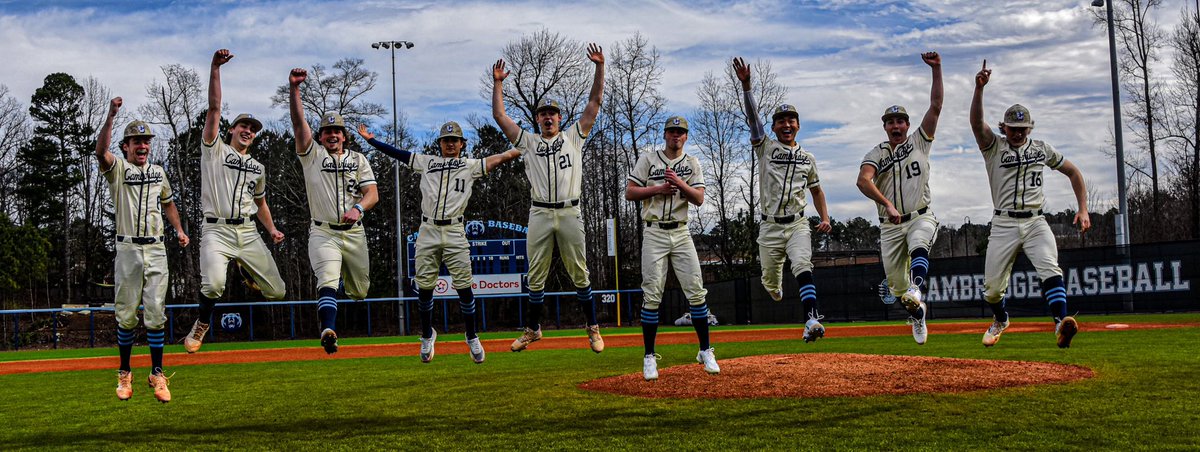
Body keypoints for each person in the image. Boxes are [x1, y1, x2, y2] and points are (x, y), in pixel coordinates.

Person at [358, 122, 521, 364]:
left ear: (462, 144)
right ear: (440, 144)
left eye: (455, 139)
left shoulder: (470, 166)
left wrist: (525, 145)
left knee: (464, 286)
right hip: (428, 229)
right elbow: (400, 155)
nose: (451, 143)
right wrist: (372, 141)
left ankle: (472, 336)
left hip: (455, 230)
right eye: (446, 140)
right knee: (424, 287)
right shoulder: (427, 162)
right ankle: (426, 335)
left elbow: (501, 158)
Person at [491, 43, 606, 353]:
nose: (548, 118)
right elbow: (500, 116)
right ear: (538, 118)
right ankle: (532, 330)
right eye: (543, 113)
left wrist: (599, 66)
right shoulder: (528, 142)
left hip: (569, 211)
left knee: (579, 272)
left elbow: (595, 101)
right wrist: (498, 83)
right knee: (536, 276)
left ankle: (592, 328)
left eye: (552, 113)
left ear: (559, 117)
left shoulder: (573, 136)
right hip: (540, 213)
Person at [969, 60, 1089, 348]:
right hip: (1004, 222)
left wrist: (1083, 208)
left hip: (1036, 221)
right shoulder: (993, 147)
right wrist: (979, 89)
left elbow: (1073, 172)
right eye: (1013, 128)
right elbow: (975, 123)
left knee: (1051, 269)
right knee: (992, 290)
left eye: (1023, 128)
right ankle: (1000, 319)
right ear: (1004, 127)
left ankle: (1061, 323)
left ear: (1030, 127)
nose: (1018, 133)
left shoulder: (1041, 149)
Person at [184, 49, 287, 353]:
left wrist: (272, 230)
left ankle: (243, 268)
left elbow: (261, 204)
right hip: (216, 230)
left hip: (248, 232)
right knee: (214, 286)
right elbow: (214, 108)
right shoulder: (214, 150)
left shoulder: (258, 168)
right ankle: (202, 323)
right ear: (232, 129)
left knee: (277, 291)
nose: (248, 131)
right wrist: (215, 68)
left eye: (253, 129)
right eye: (244, 126)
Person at [96, 97, 190, 403]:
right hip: (127, 249)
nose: (142, 146)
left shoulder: (159, 172)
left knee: (155, 314)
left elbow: (169, 204)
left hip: (156, 248)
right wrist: (111, 116)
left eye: (146, 141)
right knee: (125, 315)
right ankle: (125, 373)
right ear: (126, 146)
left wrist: (178, 229)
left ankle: (157, 373)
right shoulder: (119, 169)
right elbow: (100, 152)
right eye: (136, 141)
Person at [733, 57, 832, 343]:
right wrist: (746, 86)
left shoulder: (807, 158)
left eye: (791, 120)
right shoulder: (765, 147)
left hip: (798, 224)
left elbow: (817, 190)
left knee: (803, 265)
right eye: (781, 121)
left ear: (798, 126)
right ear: (774, 127)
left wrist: (824, 217)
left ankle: (811, 319)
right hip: (770, 227)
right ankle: (773, 286)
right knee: (771, 283)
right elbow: (752, 118)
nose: (786, 124)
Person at [287, 68, 379, 354]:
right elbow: (299, 122)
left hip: (354, 233)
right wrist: (295, 89)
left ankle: (339, 279)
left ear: (344, 135)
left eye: (337, 130)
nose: (332, 135)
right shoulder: (311, 155)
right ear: (321, 136)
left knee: (360, 291)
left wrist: (358, 209)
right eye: (327, 131)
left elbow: (372, 194)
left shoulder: (359, 159)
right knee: (326, 278)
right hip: (323, 232)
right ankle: (328, 329)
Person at [856, 52, 943, 345]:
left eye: (900, 121)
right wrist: (888, 203)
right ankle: (918, 314)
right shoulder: (877, 154)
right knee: (895, 287)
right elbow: (863, 181)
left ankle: (918, 291)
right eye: (890, 122)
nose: (896, 126)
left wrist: (937, 70)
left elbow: (936, 105)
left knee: (920, 244)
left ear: (907, 125)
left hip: (921, 215)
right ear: (885, 127)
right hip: (890, 226)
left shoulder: (920, 141)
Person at [626, 116, 716, 381]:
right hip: (654, 231)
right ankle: (649, 357)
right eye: (672, 131)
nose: (676, 135)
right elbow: (630, 192)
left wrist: (679, 184)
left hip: (681, 230)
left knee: (696, 292)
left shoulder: (692, 163)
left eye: (681, 132)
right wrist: (657, 189)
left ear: (686, 137)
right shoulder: (648, 159)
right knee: (652, 294)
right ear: (665, 134)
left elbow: (699, 198)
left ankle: (705, 350)